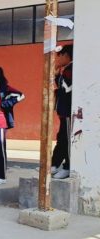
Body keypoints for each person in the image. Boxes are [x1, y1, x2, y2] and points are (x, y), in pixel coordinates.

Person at [51, 44, 73, 180]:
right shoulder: (65, 70)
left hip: (68, 112)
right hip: (64, 112)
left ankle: (68, 167)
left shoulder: (70, 70)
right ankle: (55, 164)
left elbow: (67, 89)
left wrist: (57, 78)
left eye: (59, 56)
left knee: (67, 140)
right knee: (61, 138)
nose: (58, 59)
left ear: (66, 55)